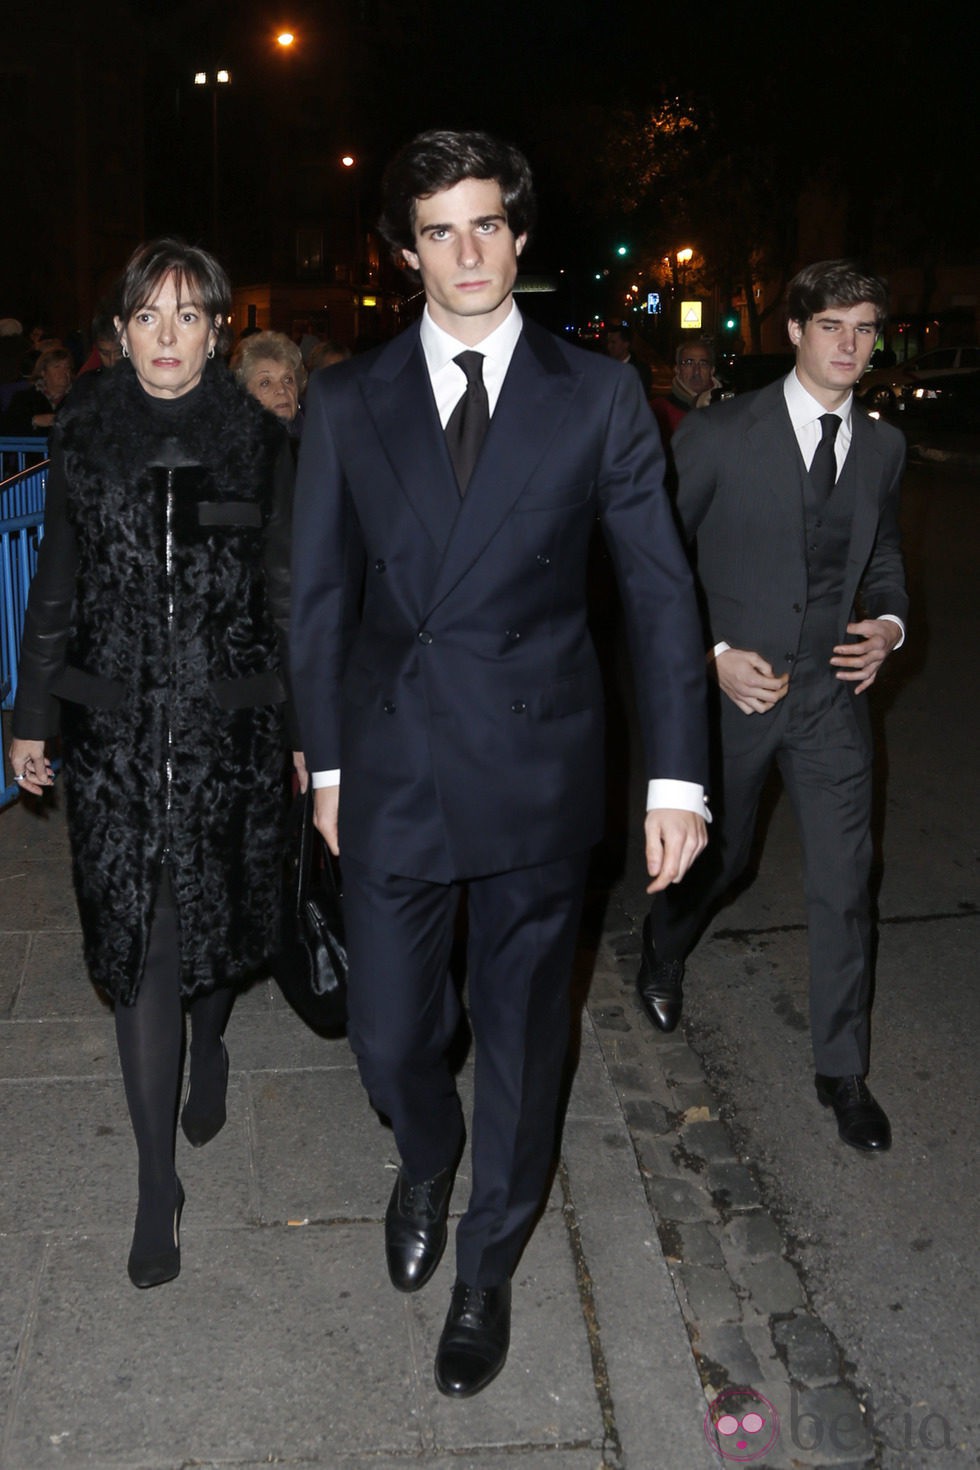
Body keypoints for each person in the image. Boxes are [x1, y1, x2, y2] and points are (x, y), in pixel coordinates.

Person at [291, 129, 709, 1398]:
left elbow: (655, 592)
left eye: (486, 226)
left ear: (520, 239)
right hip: (393, 765)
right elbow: (313, 597)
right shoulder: (347, 400)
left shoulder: (594, 396)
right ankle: (426, 1150)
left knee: (526, 1040)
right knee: (387, 1036)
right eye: (438, 231)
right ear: (405, 250)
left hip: (536, 771)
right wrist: (323, 768)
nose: (465, 253)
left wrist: (677, 779)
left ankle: (486, 1262)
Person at [8, 238, 295, 1288]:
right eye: (146, 317)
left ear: (217, 330)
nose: (166, 337)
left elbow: (286, 595)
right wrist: (31, 713)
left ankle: (209, 1040)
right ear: (119, 331)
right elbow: (59, 583)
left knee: (219, 920)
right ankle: (152, 1183)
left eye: (187, 316)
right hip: (120, 732)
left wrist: (314, 742)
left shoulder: (257, 440)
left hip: (227, 729)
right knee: (141, 936)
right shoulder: (83, 430)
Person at [636, 260, 908, 1156]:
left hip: (832, 700)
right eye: (833, 325)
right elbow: (659, 566)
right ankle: (665, 944)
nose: (851, 345)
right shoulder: (719, 435)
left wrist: (891, 627)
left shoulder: (881, 447)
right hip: (736, 696)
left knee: (844, 884)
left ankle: (843, 1071)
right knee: (726, 859)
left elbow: (883, 560)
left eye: (866, 329)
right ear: (792, 331)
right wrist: (711, 657)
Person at [230, 329, 306, 435]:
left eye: (288, 380)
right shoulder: (231, 445)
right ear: (244, 395)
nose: (281, 389)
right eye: (265, 383)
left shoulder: (319, 438)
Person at [650, 338, 719, 444]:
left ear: (712, 370)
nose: (696, 371)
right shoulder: (659, 411)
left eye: (703, 364)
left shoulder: (727, 406)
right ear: (677, 369)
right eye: (688, 363)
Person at [2, 346, 73, 433]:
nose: (63, 371)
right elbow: (7, 427)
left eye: (67, 367)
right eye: (57, 367)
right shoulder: (24, 398)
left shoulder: (79, 398)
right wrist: (34, 421)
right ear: (43, 372)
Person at [605, 321, 652, 395]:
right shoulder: (604, 367)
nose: (609, 346)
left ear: (626, 344)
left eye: (613, 342)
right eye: (608, 342)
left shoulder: (641, 370)